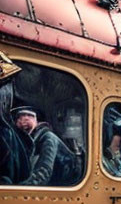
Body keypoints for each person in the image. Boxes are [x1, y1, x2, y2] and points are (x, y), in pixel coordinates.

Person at [13, 106, 78, 186]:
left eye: (29, 116)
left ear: (36, 121)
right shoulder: (23, 142)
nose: (24, 121)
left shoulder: (48, 138)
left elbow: (44, 171)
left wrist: (20, 189)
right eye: (20, 118)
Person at [0, 53, 29, 184]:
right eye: (21, 116)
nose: (25, 120)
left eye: (29, 116)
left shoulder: (7, 133)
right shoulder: (7, 133)